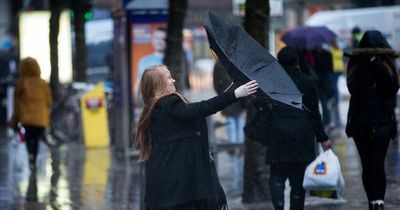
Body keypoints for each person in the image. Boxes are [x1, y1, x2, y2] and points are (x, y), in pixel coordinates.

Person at [134, 65, 258, 210]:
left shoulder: (156, 107)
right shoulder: (168, 104)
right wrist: (235, 94)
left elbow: (195, 111)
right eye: (168, 78)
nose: (173, 80)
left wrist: (230, 92)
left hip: (167, 183)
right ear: (158, 84)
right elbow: (200, 109)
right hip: (175, 185)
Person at [245, 47, 332, 210]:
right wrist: (323, 138)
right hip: (302, 135)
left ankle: (278, 206)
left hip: (278, 135)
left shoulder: (270, 83)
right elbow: (315, 114)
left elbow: (259, 105)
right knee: (298, 180)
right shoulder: (308, 83)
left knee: (277, 175)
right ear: (297, 63)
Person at [346, 30, 399, 210]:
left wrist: (377, 67)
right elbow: (353, 88)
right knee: (367, 164)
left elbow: (391, 89)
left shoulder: (388, 63)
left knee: (377, 163)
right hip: (360, 123)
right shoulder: (356, 63)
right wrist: (364, 67)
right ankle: (371, 201)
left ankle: (379, 201)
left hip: (382, 122)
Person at [9, 57, 53, 169]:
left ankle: (31, 157)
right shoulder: (43, 83)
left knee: (29, 137)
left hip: (26, 117)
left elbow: (16, 102)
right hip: (41, 118)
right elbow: (49, 101)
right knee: (37, 138)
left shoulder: (21, 83)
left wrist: (16, 117)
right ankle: (35, 155)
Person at [329, 40, 345, 127]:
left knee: (334, 85)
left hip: (334, 69)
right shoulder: (339, 50)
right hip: (339, 69)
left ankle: (335, 97)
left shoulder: (331, 51)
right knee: (335, 85)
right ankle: (336, 97)